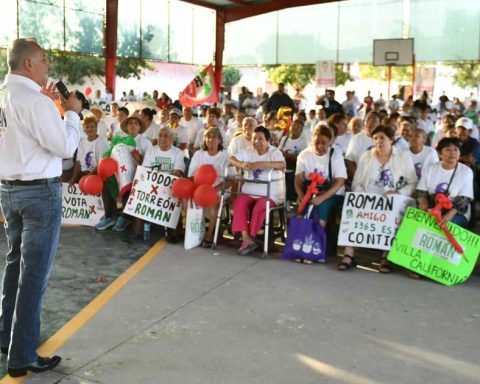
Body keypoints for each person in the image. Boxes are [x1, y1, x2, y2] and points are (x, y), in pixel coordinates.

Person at [0, 38, 82, 377]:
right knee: (34, 276)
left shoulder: (6, 97)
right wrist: (72, 114)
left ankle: (7, 335)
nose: (49, 65)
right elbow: (64, 147)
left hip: (10, 190)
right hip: (39, 194)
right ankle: (22, 355)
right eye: (44, 59)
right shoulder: (35, 102)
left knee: (15, 266)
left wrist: (52, 110)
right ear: (28, 64)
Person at [337, 125, 417, 273]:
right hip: (369, 198)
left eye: (382, 138)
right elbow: (357, 183)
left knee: (394, 214)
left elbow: (412, 182)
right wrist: (363, 196)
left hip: (393, 198)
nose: (378, 141)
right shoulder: (367, 157)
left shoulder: (403, 156)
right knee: (352, 209)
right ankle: (349, 254)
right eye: (375, 138)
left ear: (391, 140)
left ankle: (385, 256)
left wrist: (398, 193)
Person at [229, 126, 286, 255]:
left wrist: (261, 164)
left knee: (260, 206)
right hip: (249, 192)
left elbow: (282, 165)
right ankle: (246, 238)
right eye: (254, 139)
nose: (256, 142)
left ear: (268, 140)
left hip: (270, 193)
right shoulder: (248, 151)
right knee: (239, 202)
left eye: (260, 139)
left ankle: (251, 237)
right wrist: (241, 164)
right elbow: (231, 158)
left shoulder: (274, 152)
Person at [295, 124, 347, 230]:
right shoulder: (304, 155)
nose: (319, 146)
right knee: (301, 210)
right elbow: (298, 179)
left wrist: (322, 198)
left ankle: (315, 238)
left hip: (333, 193)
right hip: (310, 192)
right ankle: (300, 238)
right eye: (316, 143)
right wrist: (301, 196)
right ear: (311, 141)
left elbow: (340, 181)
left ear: (330, 142)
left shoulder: (335, 154)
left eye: (324, 143)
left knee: (321, 207)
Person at [415, 137, 474, 227]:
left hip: (456, 212)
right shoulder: (430, 169)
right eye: (448, 150)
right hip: (432, 209)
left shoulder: (466, 171)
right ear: (439, 153)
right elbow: (421, 192)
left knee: (446, 226)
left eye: (455, 149)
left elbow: (465, 199)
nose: (452, 153)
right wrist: (423, 203)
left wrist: (448, 216)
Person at [188, 128, 231, 247]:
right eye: (208, 137)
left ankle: (209, 234)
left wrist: (215, 189)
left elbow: (231, 179)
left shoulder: (226, 156)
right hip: (200, 187)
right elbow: (191, 175)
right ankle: (196, 231)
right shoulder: (199, 154)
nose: (211, 139)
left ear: (220, 140)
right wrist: (199, 189)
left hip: (219, 188)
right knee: (187, 199)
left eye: (214, 137)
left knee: (214, 202)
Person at [69, 115, 108, 184]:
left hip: (96, 175)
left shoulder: (102, 142)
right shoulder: (82, 142)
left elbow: (101, 164)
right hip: (83, 174)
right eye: (87, 127)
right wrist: (74, 177)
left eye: (92, 126)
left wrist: (88, 177)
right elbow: (78, 163)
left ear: (96, 128)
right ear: (84, 129)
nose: (89, 129)